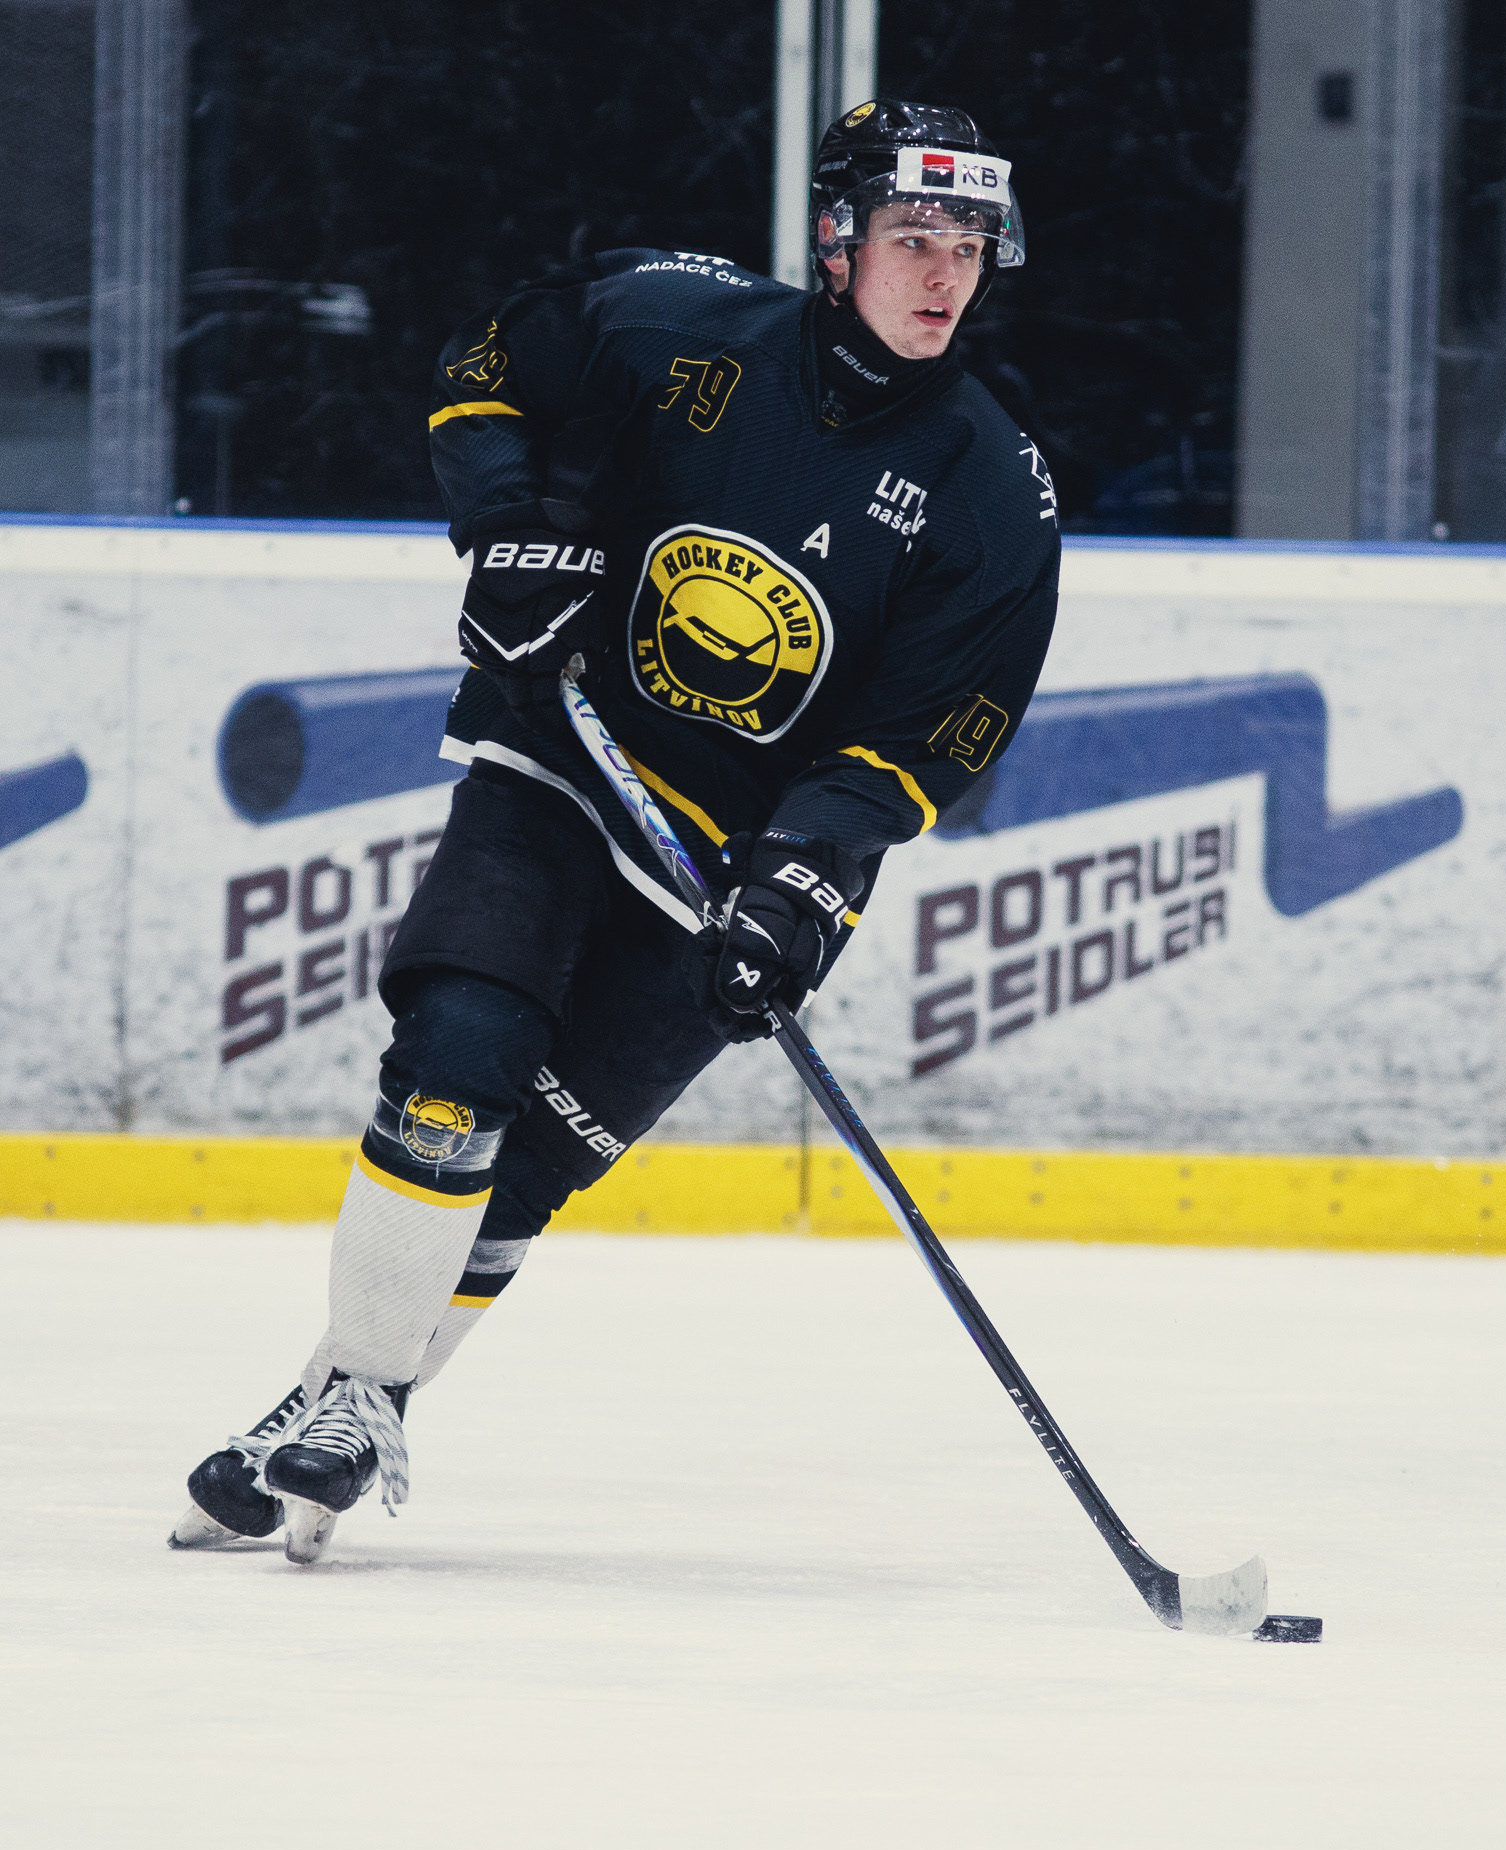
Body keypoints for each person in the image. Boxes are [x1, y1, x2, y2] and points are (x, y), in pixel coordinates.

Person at [170, 99, 1061, 1563]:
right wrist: (509, 527)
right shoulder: (677, 323)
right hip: (567, 762)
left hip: (740, 868)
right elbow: (485, 371)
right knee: (457, 1059)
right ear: (838, 239)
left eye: (968, 246)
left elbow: (931, 735)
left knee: (531, 1166)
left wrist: (799, 880)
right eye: (914, 236)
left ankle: (334, 1401)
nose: (943, 274)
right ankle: (355, 1402)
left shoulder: (992, 491)